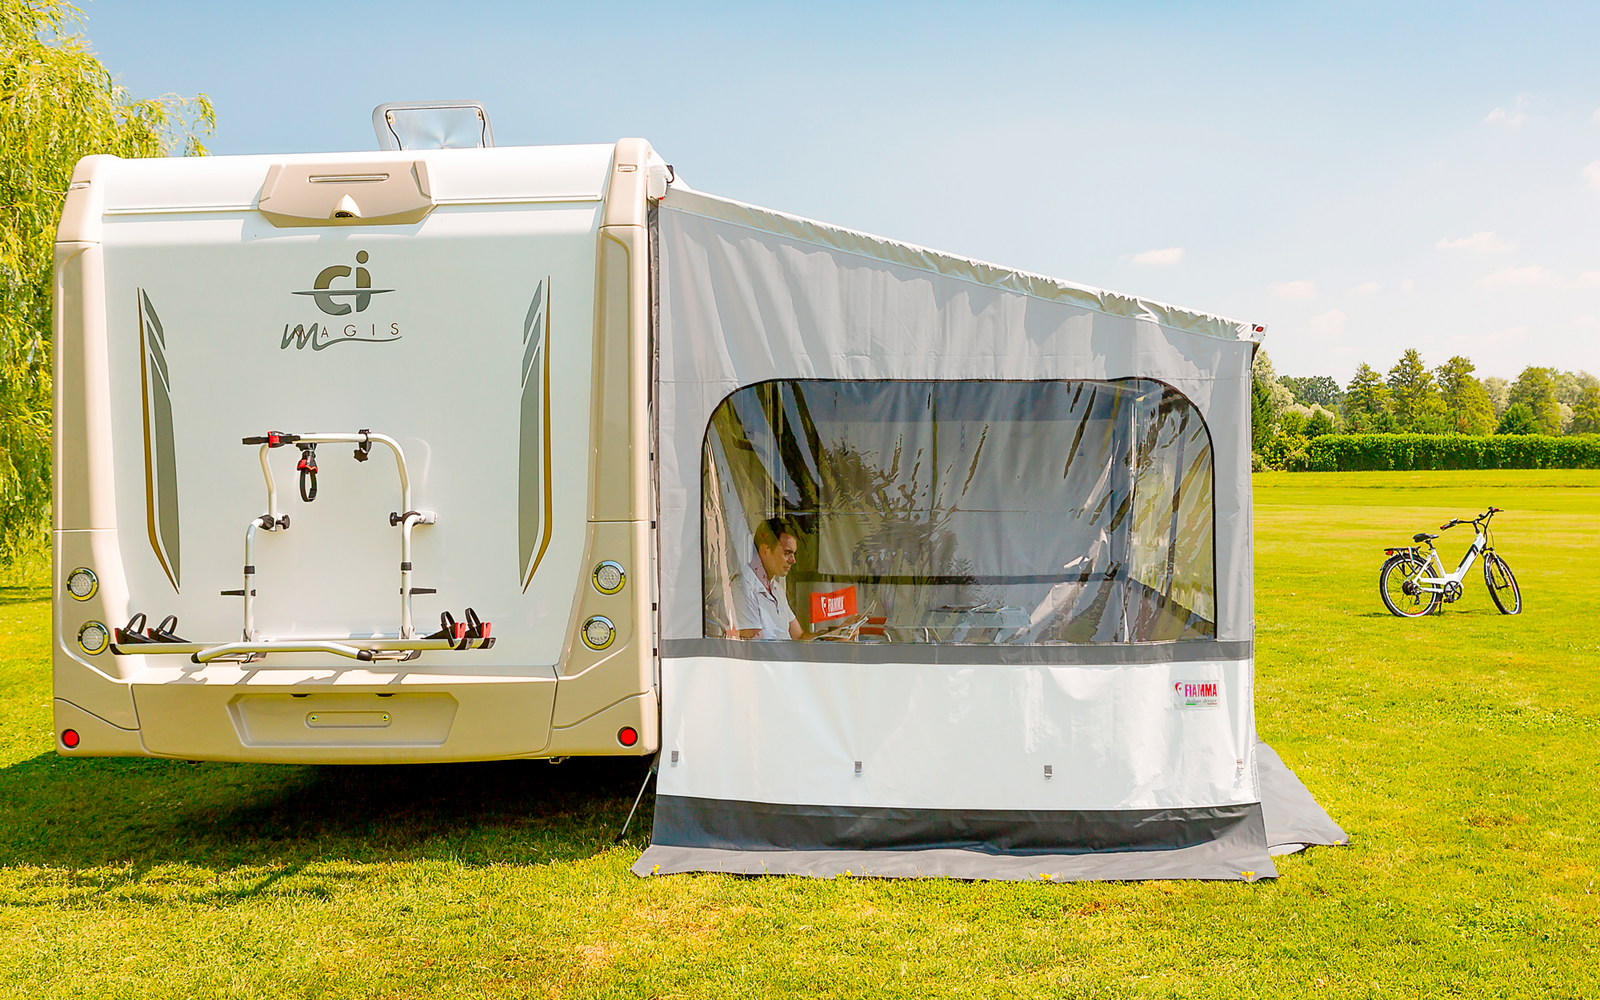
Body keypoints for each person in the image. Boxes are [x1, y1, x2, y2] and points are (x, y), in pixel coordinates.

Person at [732, 517, 805, 640]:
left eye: (794, 554)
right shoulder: (743, 589)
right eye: (787, 553)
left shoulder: (777, 590)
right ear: (764, 550)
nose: (793, 561)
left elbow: (799, 637)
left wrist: (832, 637)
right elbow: (755, 650)